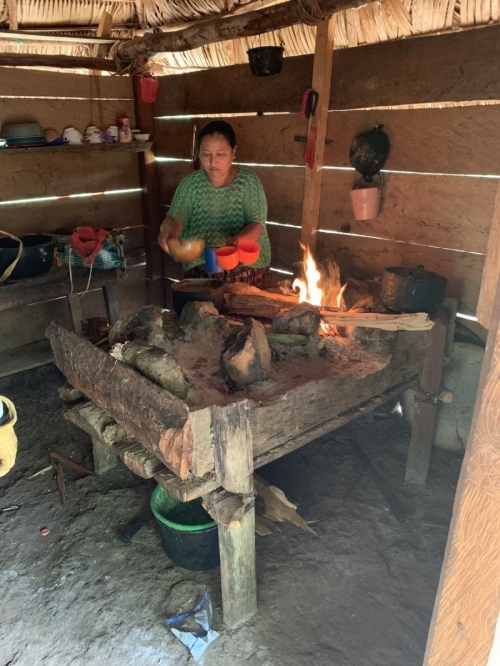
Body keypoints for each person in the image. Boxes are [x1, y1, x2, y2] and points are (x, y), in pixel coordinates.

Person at [157, 120, 271, 287]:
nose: (212, 161)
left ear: (233, 152)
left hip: (244, 265)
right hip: (202, 265)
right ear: (199, 154)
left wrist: (238, 241)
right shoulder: (190, 185)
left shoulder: (248, 182)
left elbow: (257, 224)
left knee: (239, 305)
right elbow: (174, 219)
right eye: (206, 154)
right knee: (201, 309)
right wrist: (169, 233)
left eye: (220, 154)